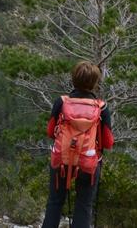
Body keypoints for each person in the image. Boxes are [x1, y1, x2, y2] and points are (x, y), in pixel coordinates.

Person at [41, 61, 113, 228]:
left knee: (54, 203)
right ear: (95, 83)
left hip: (62, 160)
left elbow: (51, 131)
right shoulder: (101, 108)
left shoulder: (62, 102)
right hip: (88, 162)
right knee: (84, 205)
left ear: (73, 79)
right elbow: (108, 142)